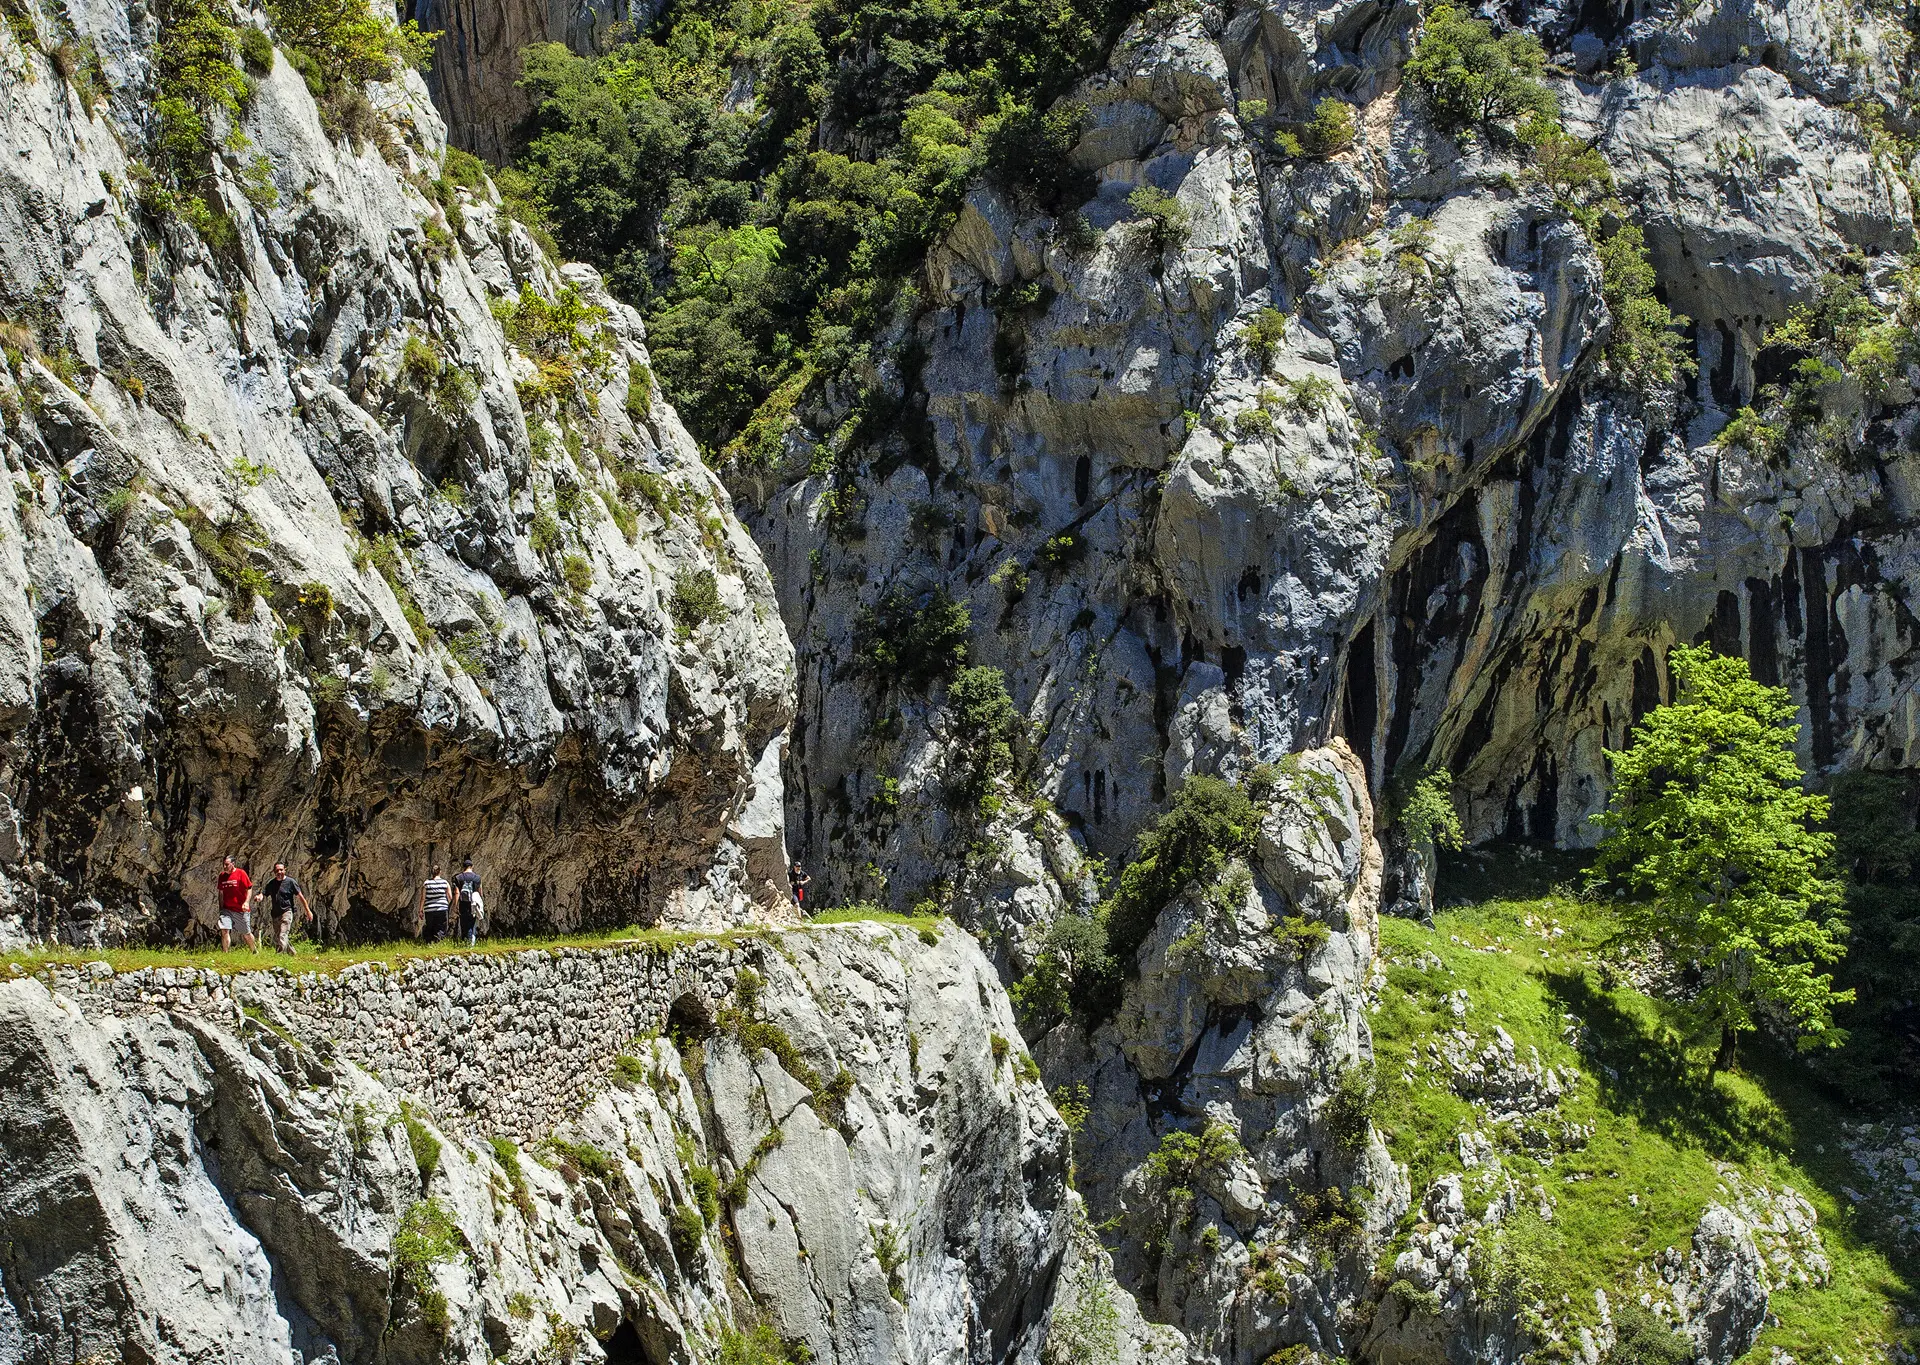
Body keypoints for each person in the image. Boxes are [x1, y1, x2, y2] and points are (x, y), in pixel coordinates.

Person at [254, 862, 313, 954]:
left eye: (281, 870)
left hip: (287, 911)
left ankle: (279, 955)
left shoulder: (291, 882)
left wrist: (308, 911)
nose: (279, 872)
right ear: (274, 872)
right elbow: (264, 893)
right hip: (275, 913)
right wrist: (259, 897)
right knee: (279, 936)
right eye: (277, 870)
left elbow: (301, 897)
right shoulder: (271, 883)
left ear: (285, 870)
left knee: (282, 934)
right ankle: (292, 953)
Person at [218, 855, 257, 953]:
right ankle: (225, 953)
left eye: (227, 864)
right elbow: (221, 893)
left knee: (246, 934)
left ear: (233, 864)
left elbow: (249, 888)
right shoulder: (222, 876)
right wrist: (221, 908)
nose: (225, 866)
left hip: (241, 910)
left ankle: (254, 951)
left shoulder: (241, 873)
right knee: (224, 930)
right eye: (224, 864)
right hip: (226, 909)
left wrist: (246, 902)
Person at [418, 863, 452, 942]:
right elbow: (450, 897)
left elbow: (423, 898)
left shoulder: (426, 883)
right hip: (442, 909)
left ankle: (430, 942)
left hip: (429, 909)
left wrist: (420, 910)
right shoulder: (445, 883)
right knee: (441, 927)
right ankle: (439, 942)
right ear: (440, 872)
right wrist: (448, 906)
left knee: (430, 926)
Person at [453, 858, 483, 946]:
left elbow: (457, 892)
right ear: (472, 866)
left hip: (463, 903)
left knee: (463, 923)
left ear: (463, 867)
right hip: (474, 903)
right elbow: (480, 892)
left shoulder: (458, 877)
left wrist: (455, 905)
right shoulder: (477, 878)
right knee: (471, 923)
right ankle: (470, 943)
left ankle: (465, 942)